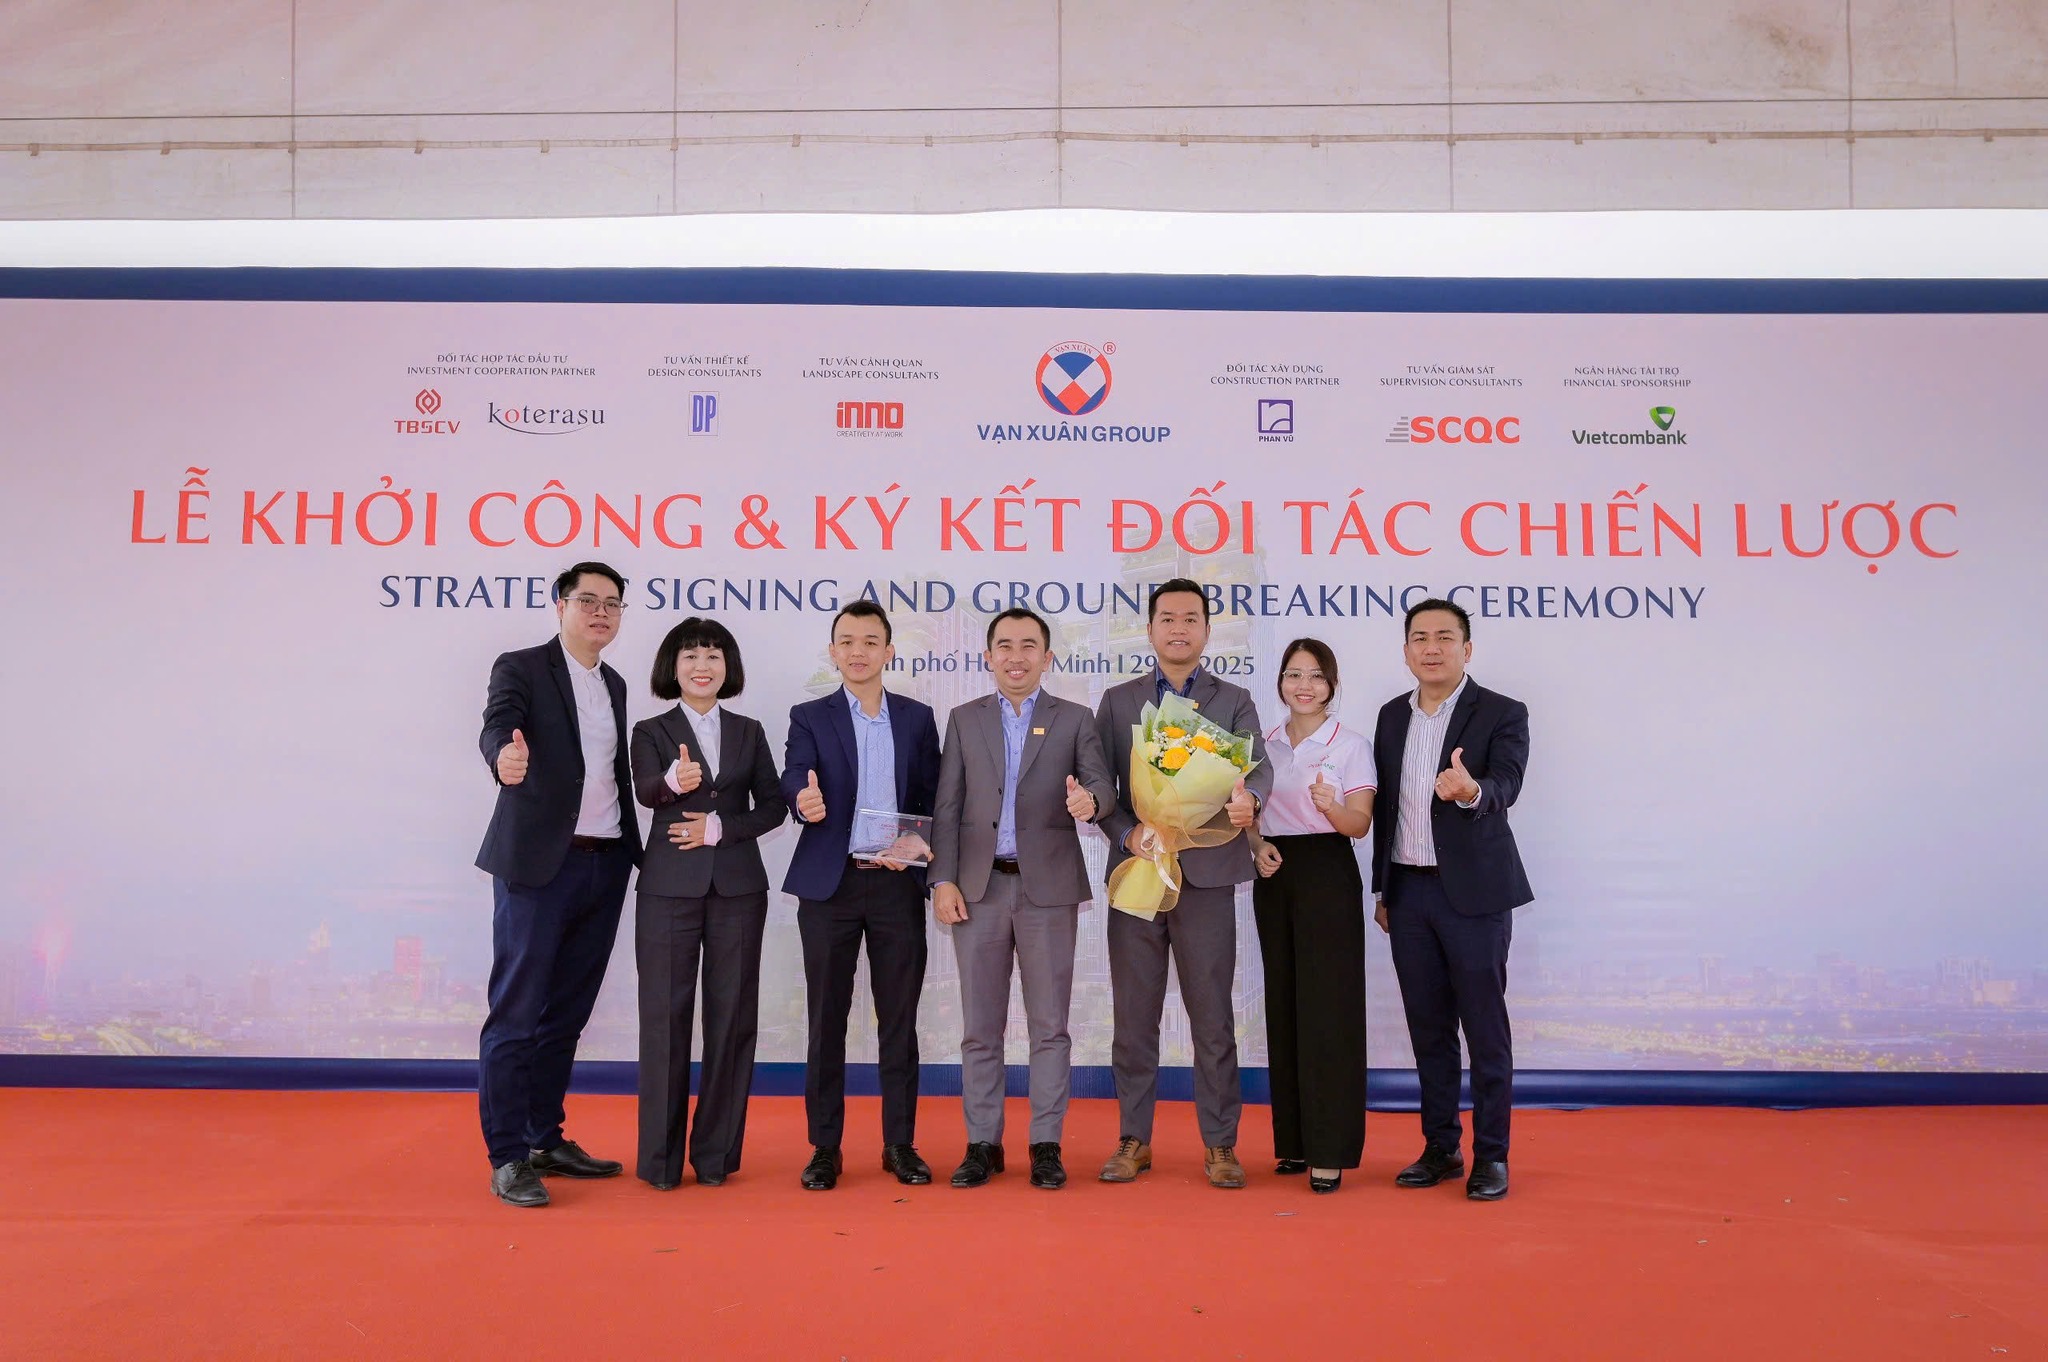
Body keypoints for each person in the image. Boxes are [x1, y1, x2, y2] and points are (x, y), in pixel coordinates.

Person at [928, 608, 1117, 1191]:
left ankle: (1045, 1144)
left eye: (1029, 646)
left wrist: (1091, 802)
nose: (1017, 657)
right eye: (1005, 646)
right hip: (978, 890)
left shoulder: (1075, 718)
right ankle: (982, 1144)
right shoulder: (964, 719)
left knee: (1050, 1026)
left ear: (1047, 657)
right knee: (980, 1027)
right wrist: (942, 879)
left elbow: (1102, 786)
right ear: (988, 657)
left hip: (1048, 892)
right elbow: (947, 806)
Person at [473, 562, 643, 1208]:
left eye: (612, 604)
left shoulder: (615, 684)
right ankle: (507, 1156)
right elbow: (497, 724)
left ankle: (544, 1138)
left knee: (566, 1015)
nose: (600, 612)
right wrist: (503, 757)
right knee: (517, 1014)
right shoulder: (520, 667)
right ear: (560, 606)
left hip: (605, 864)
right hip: (538, 866)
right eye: (587, 600)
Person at [1094, 578, 1271, 1189]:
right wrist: (1127, 834)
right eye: (1167, 618)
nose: (1178, 629)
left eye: (1190, 619)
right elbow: (1101, 788)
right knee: (1133, 1016)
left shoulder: (1235, 700)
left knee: (1213, 1016)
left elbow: (1258, 772)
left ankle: (1221, 1144)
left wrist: (1251, 803)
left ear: (1206, 630)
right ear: (1149, 629)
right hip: (1140, 875)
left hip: (1208, 875)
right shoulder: (1118, 702)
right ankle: (1133, 1138)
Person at [1370, 598, 1532, 1202]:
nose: (1431, 648)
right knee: (1428, 1029)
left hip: (1475, 895)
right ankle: (1441, 1147)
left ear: (1467, 648)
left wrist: (1471, 791)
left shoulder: (1502, 711)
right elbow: (1388, 809)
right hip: (1409, 891)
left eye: (1444, 637)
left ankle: (1492, 1155)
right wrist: (1384, 888)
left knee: (1485, 1030)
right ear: (1406, 650)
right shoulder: (1391, 716)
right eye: (1420, 637)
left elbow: (1508, 782)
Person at [780, 601, 942, 1191]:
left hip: (897, 884)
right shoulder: (809, 715)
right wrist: (802, 799)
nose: (858, 651)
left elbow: (935, 795)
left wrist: (918, 840)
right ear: (833, 651)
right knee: (827, 1020)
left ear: (888, 652)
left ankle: (900, 1144)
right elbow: (794, 774)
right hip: (832, 886)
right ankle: (825, 1147)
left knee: (899, 1019)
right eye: (847, 641)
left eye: (870, 641)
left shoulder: (917, 718)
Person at [628, 617, 788, 1190]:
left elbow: (774, 806)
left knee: (733, 1020)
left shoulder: (749, 730)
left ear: (728, 667)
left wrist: (722, 828)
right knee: (664, 1022)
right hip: (667, 891)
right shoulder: (650, 729)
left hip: (738, 891)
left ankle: (716, 1156)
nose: (703, 666)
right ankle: (661, 1162)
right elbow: (644, 790)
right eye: (692, 656)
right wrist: (673, 781)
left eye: (714, 656)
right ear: (673, 667)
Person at [1248, 638, 1376, 1194]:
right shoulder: (1263, 743)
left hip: (1328, 869)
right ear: (1280, 681)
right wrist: (1256, 846)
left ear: (1332, 685)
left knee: (1329, 1010)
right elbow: (1247, 815)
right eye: (1294, 674)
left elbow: (1360, 825)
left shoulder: (1350, 745)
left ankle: (1330, 1148)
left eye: (1316, 676)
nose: (1305, 686)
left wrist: (1333, 807)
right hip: (1275, 872)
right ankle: (1295, 1142)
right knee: (1285, 1004)